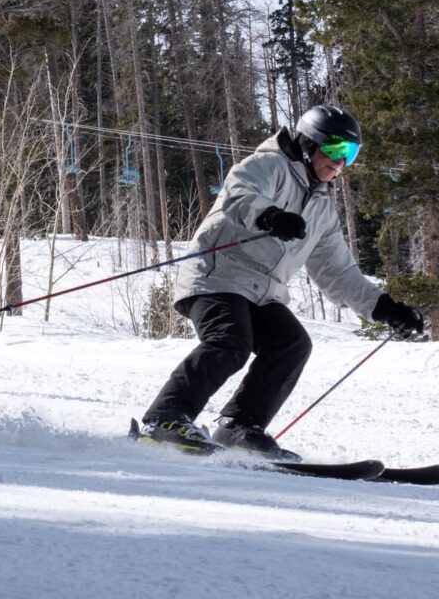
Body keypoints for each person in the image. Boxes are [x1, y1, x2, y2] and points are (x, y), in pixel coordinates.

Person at [138, 106, 424, 460]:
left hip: (263, 290)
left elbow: (338, 273)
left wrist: (386, 309)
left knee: (292, 343)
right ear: (309, 143)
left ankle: (240, 427)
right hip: (217, 273)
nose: (342, 162)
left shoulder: (322, 208)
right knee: (230, 340)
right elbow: (239, 196)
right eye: (336, 149)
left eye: (351, 154)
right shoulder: (268, 165)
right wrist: (270, 216)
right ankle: (165, 418)